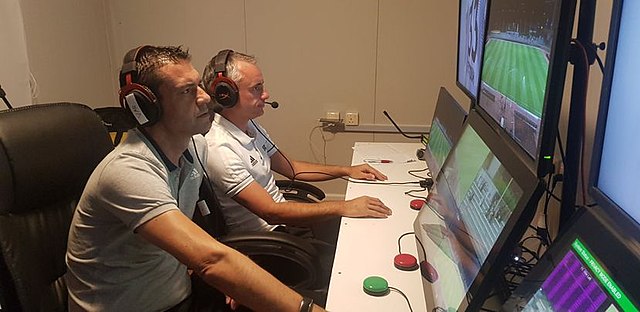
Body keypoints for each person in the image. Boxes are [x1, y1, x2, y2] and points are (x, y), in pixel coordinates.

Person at [65, 45, 324, 312]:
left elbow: (201, 234)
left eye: (199, 86)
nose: (206, 99)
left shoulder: (192, 149)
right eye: (187, 91)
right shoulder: (128, 172)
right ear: (145, 106)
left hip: (182, 294)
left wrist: (234, 275)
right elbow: (211, 260)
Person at [201, 49, 392, 236]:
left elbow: (293, 168)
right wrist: (344, 206)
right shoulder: (220, 148)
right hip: (271, 243)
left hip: (287, 224)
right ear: (225, 95)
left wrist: (346, 170)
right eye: (256, 88)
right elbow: (271, 213)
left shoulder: (251, 126)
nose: (265, 94)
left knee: (366, 229)